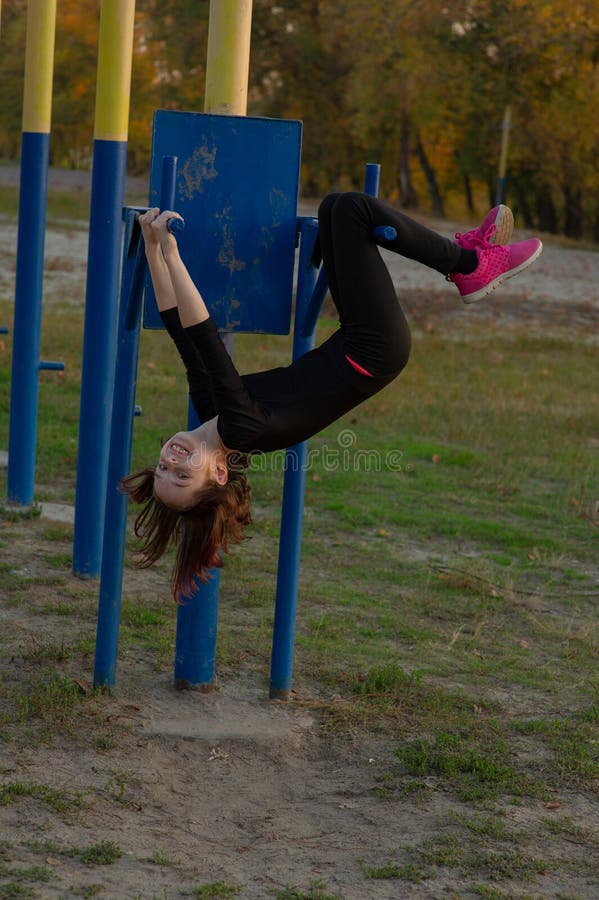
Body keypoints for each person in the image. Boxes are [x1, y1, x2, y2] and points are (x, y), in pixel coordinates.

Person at [120, 192, 542, 599]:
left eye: (162, 467)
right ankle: (470, 264)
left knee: (337, 208)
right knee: (354, 210)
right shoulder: (241, 428)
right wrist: (173, 256)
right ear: (219, 474)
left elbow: (182, 334)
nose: (172, 460)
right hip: (375, 350)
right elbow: (205, 336)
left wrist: (154, 247)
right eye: (182, 475)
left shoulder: (211, 412)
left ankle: (469, 261)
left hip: (354, 343)